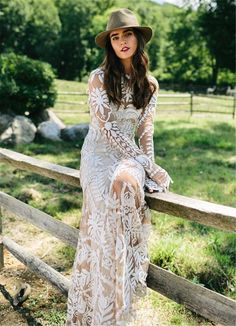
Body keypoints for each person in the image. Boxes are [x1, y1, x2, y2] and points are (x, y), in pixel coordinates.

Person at [66, 8, 172, 326]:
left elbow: (145, 132)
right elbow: (107, 129)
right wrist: (148, 165)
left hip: (128, 157)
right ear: (110, 43)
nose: (122, 41)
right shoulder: (98, 78)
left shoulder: (150, 85)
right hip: (98, 154)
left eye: (127, 34)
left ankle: (123, 291)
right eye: (115, 36)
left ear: (138, 39)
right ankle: (98, 305)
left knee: (126, 184)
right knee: (104, 202)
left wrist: (146, 164)